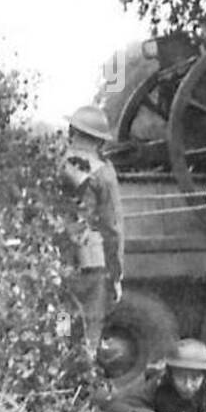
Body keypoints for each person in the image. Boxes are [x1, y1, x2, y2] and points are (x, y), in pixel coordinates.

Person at [62, 105, 125, 357]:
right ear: (100, 140)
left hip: (58, 262)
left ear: (72, 131)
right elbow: (113, 228)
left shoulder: (56, 164)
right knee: (91, 326)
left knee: (62, 321)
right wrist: (117, 274)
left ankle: (59, 360)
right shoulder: (103, 173)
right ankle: (84, 374)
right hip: (92, 265)